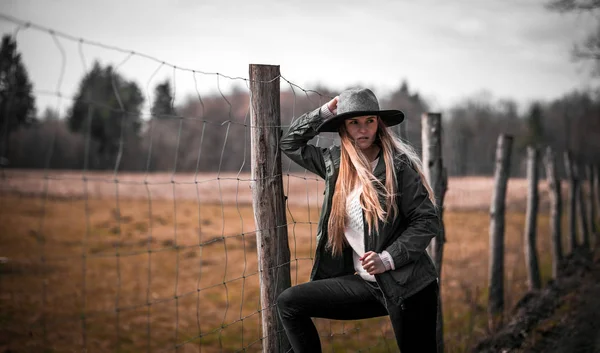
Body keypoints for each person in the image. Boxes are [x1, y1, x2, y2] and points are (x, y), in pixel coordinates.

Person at [277, 88, 441, 352]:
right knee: (290, 303)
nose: (362, 129)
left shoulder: (398, 168)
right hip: (367, 285)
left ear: (379, 124)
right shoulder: (334, 164)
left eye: (369, 121)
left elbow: (426, 221)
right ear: (343, 126)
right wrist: (325, 112)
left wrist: (387, 258)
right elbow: (289, 144)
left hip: (408, 285)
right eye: (354, 122)